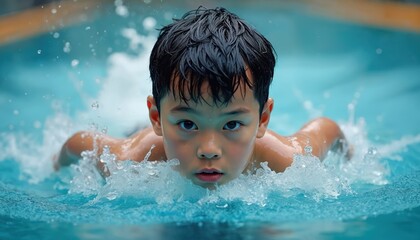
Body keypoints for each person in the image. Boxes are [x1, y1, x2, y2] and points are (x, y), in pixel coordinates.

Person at [54, 7, 350, 188]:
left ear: (263, 119)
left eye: (232, 125)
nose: (209, 149)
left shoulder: (289, 160)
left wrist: (351, 159)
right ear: (156, 117)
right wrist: (53, 169)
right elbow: (77, 144)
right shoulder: (130, 161)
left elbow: (329, 129)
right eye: (188, 124)